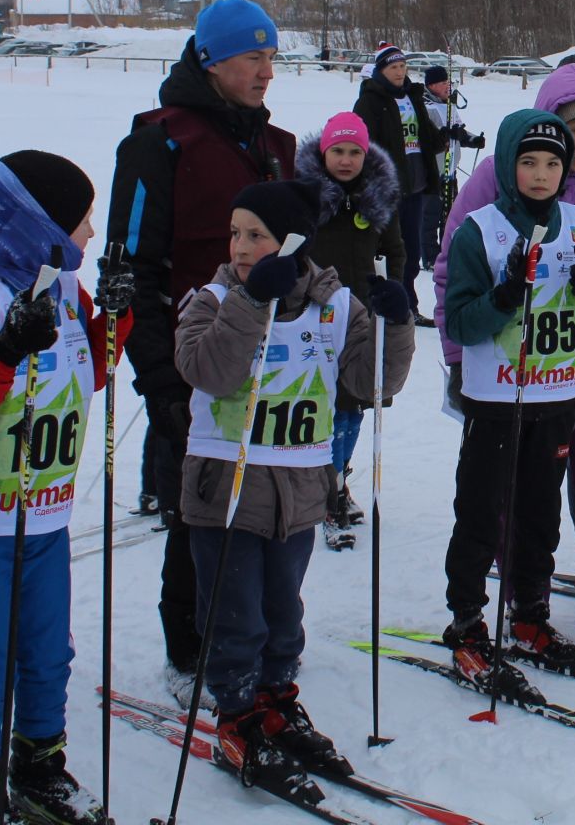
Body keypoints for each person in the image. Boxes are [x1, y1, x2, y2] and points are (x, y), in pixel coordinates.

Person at [174, 178, 407, 785]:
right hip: (225, 492)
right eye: (235, 233)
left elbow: (371, 383)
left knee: (283, 612)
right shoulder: (212, 298)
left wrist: (396, 324)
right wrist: (252, 303)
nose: (241, 246)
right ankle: (235, 710)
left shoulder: (335, 305)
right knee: (234, 614)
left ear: (294, 241)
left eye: (257, 235)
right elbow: (209, 370)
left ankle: (275, 700)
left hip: (299, 491)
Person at [0, 151, 126, 825]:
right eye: (81, 222)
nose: (90, 235)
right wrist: (6, 351)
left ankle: (40, 761)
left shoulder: (68, 292)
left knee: (49, 653)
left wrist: (118, 315)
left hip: (45, 516)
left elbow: (91, 372)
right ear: (41, 225)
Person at [435, 65, 575, 651]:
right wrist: (459, 358)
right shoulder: (496, 176)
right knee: (513, 493)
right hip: (513, 373)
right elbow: (451, 271)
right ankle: (520, 598)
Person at [108, 0, 295, 706]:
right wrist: (157, 374)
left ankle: (261, 635)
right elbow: (129, 267)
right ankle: (190, 647)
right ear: (211, 59)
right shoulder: (160, 140)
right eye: (253, 56)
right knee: (202, 509)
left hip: (275, 363)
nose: (266, 71)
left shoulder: (278, 147)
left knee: (269, 500)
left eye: (273, 57)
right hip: (192, 362)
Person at [439, 111, 575, 697]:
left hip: (558, 394)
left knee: (541, 513)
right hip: (497, 398)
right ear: (509, 164)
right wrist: (504, 297)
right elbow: (462, 322)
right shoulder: (479, 230)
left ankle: (530, 614)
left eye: (553, 163)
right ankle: (467, 620)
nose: (542, 174)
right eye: (529, 162)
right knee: (482, 511)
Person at [294, 114, 416, 549]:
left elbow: (396, 251)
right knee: (323, 406)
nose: (345, 161)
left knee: (355, 404)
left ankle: (338, 482)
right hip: (314, 317)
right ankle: (324, 492)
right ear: (323, 153)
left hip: (361, 317)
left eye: (354, 152)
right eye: (338, 151)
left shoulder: (377, 198)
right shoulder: (305, 197)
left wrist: (393, 292)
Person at [353, 46, 450, 325]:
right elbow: (364, 144)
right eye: (393, 67)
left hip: (416, 184)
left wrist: (443, 136)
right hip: (388, 187)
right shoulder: (371, 100)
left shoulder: (413, 96)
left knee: (411, 251)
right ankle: (380, 302)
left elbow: (426, 136)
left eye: (403, 66)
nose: (399, 72)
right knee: (388, 249)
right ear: (381, 70)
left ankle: (408, 304)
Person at [420, 65, 483, 272]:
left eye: (448, 82)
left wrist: (472, 139)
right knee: (431, 214)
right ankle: (429, 255)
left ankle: (446, 250)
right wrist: (446, 134)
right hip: (433, 171)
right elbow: (430, 137)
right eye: (442, 83)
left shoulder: (449, 105)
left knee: (450, 213)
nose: (447, 86)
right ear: (431, 85)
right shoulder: (425, 107)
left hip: (450, 171)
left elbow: (459, 132)